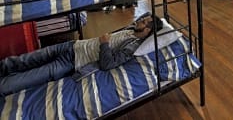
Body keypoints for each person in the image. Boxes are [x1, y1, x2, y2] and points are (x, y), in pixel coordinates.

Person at [0, 12, 162, 96]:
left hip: (71, 63)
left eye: (144, 21)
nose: (140, 19)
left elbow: (107, 64)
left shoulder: (131, 48)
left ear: (147, 30)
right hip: (72, 46)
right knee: (24, 60)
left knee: (23, 80)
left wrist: (104, 43)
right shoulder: (131, 29)